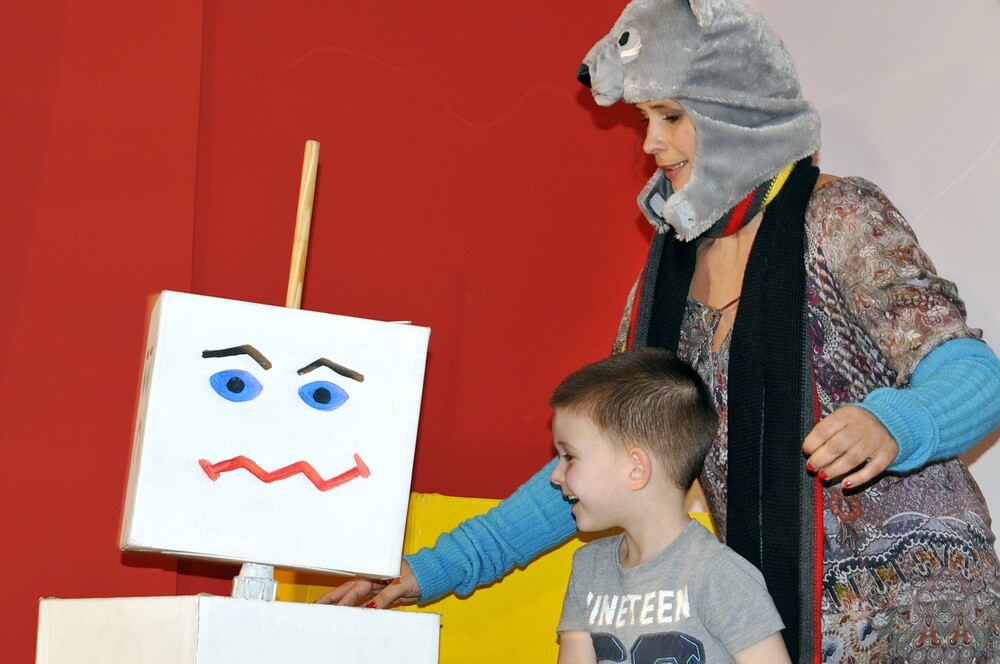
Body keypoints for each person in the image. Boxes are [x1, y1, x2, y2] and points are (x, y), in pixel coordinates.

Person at [319, 0, 1000, 660]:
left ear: (738, 111)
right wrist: (432, 569)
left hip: (923, 613)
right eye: (647, 118)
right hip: (773, 627)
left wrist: (895, 423)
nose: (650, 143)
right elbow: (606, 458)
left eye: (672, 116)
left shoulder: (839, 216)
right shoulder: (664, 279)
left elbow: (975, 375)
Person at [549, 348, 790, 663]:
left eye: (569, 457)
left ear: (636, 468)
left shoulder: (720, 575)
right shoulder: (588, 568)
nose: (555, 476)